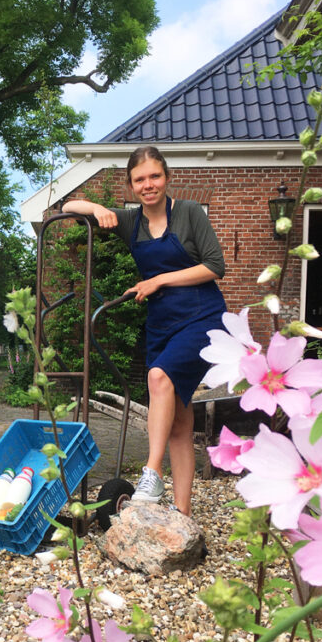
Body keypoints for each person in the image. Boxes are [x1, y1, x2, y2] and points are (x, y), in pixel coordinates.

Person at [62, 146, 226, 516]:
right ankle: (183, 514)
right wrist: (98, 210)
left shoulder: (187, 213)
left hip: (202, 317)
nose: (148, 185)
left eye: (154, 176)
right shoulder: (129, 221)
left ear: (166, 178)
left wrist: (158, 280)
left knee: (158, 377)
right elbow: (69, 206)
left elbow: (216, 266)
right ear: (131, 185)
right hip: (162, 323)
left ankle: (151, 473)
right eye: (140, 179)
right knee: (180, 423)